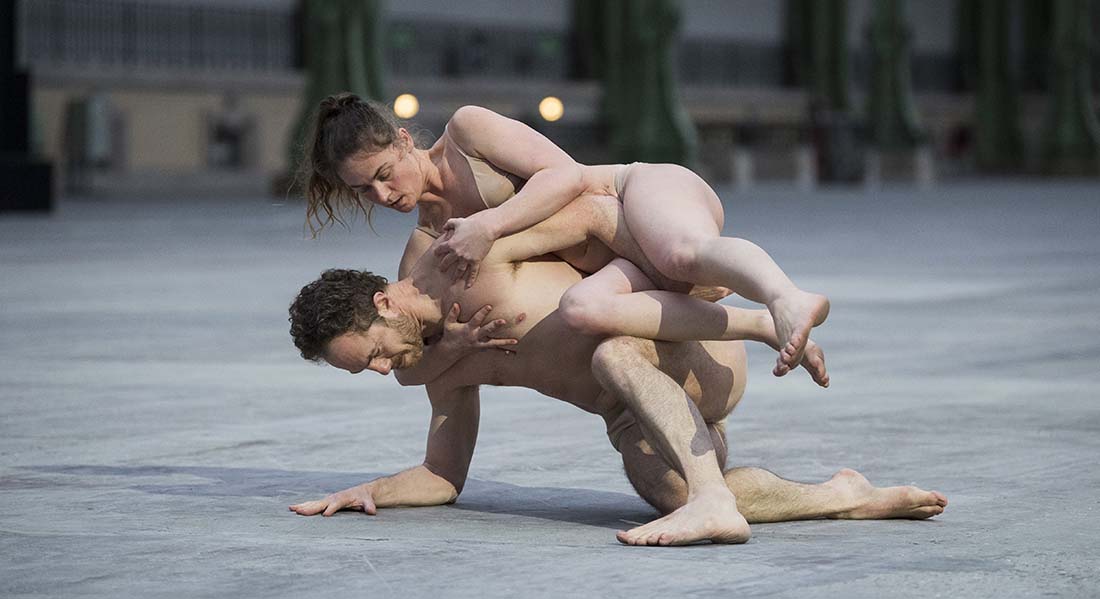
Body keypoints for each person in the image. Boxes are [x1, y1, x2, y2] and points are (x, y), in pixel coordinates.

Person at [286, 196, 946, 545]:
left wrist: (710, 289)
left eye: (371, 352)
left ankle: (715, 497)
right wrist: (370, 488)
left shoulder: (472, 257)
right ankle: (844, 494)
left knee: (609, 346)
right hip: (636, 412)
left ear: (381, 301)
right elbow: (442, 476)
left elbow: (589, 212)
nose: (380, 370)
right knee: (671, 497)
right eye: (364, 370)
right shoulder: (442, 368)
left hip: (697, 350)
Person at [302, 93, 828, 378]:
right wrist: (451, 347)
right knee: (586, 310)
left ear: (401, 139)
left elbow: (568, 175)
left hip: (631, 193)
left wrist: (489, 223)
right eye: (363, 191)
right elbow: (411, 358)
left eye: (384, 173)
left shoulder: (466, 133)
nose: (382, 194)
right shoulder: (430, 241)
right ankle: (760, 326)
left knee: (682, 253)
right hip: (621, 265)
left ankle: (788, 297)